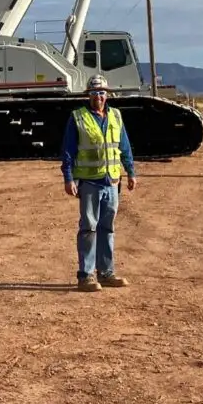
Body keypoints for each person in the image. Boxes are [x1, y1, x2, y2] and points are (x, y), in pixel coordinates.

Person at [60, 73, 136, 292]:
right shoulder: (78, 117)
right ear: (88, 95)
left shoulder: (116, 116)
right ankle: (86, 276)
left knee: (107, 228)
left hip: (112, 181)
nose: (99, 97)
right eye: (94, 93)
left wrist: (130, 171)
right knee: (88, 228)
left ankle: (106, 272)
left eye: (102, 93)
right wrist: (69, 178)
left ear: (107, 95)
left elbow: (124, 147)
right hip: (90, 183)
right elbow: (68, 151)